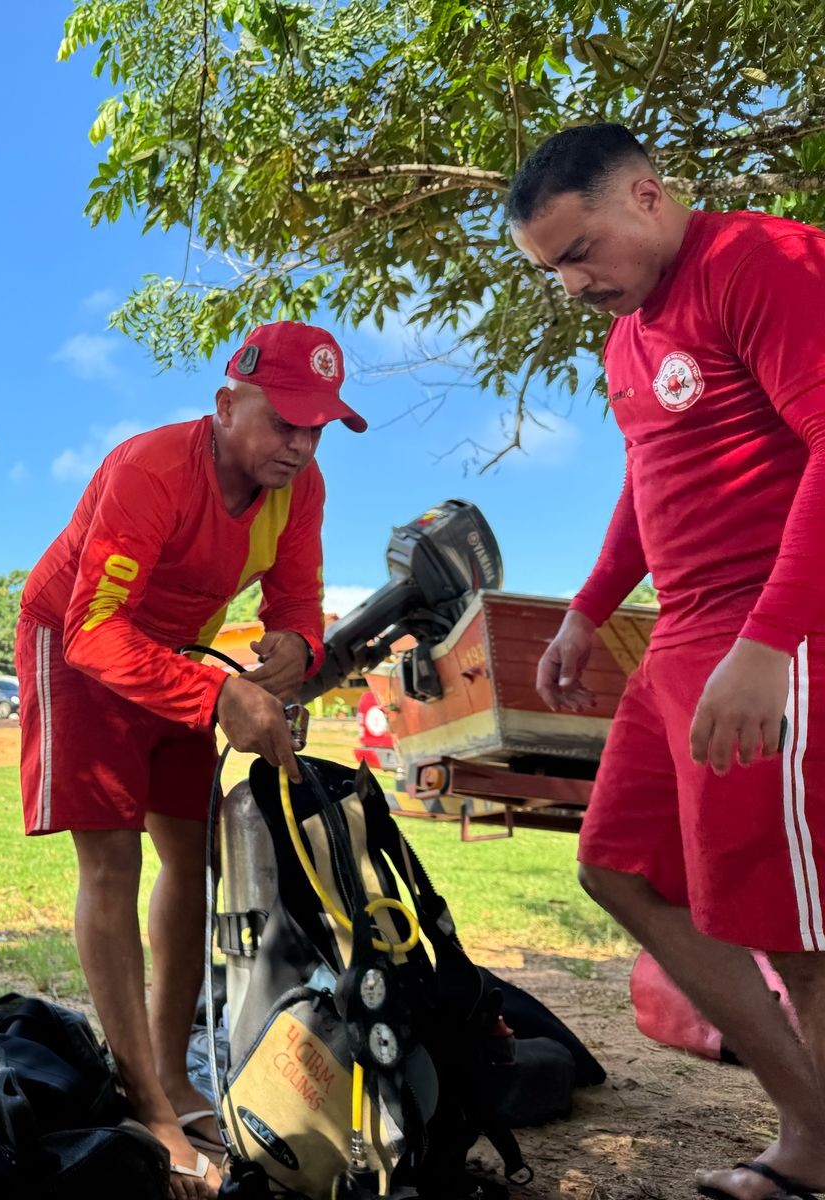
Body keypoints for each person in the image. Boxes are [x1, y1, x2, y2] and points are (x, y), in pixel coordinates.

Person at [511, 123, 825, 1200]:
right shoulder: (624, 341)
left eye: (578, 251)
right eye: (550, 269)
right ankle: (815, 1129)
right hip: (681, 637)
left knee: (797, 927)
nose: (570, 283)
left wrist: (769, 640)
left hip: (775, 630)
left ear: (647, 195)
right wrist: (585, 612)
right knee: (619, 867)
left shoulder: (760, 261)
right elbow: (651, 484)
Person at [15, 321, 362, 1198]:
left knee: (195, 856)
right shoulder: (152, 467)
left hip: (177, 656)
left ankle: (172, 1075)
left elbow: (300, 604)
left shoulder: (300, 486)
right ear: (226, 404)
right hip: (79, 643)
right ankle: (147, 1106)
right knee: (114, 858)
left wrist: (294, 650)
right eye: (285, 420)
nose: (301, 444)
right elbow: (96, 630)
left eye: (317, 426)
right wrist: (219, 697)